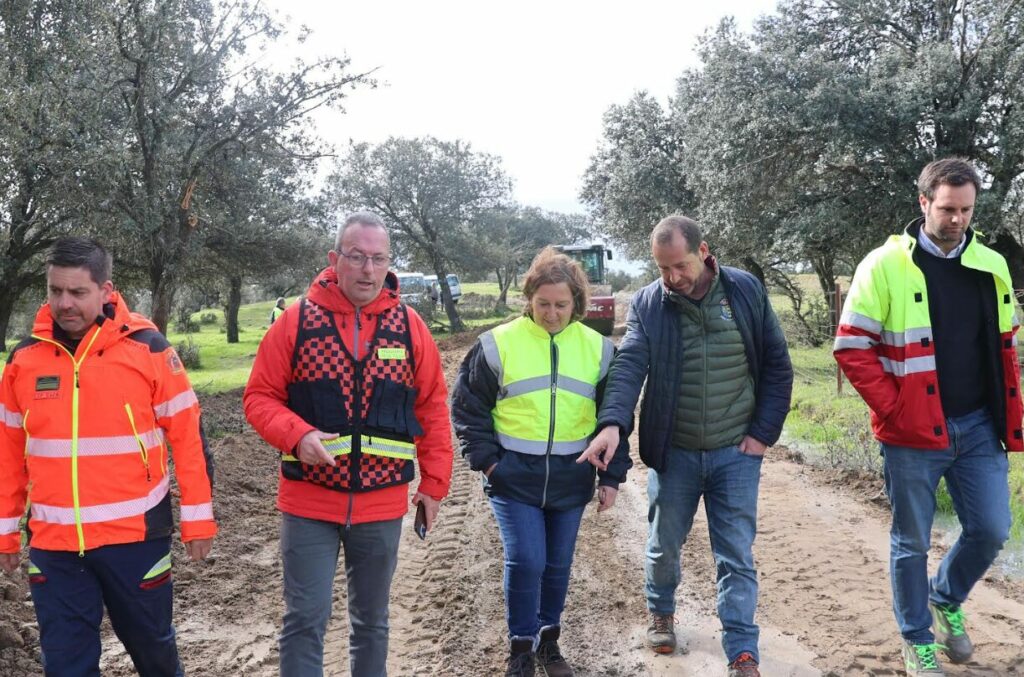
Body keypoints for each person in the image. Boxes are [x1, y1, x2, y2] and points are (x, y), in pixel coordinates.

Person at [579, 216, 792, 677]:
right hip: (673, 453)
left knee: (735, 552)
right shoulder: (649, 305)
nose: (672, 277)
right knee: (663, 545)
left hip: (735, 452)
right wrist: (613, 422)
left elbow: (777, 364)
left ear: (703, 251)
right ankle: (661, 611)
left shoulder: (745, 292)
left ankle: (741, 648)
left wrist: (761, 435)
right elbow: (630, 364)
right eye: (663, 269)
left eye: (679, 265)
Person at [243, 211, 453, 677]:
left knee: (372, 623)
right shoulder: (296, 321)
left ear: (389, 263)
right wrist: (297, 436)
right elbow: (259, 397)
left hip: (380, 506)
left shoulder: (410, 326)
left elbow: (433, 409)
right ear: (335, 259)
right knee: (304, 620)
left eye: (378, 259)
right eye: (357, 257)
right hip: (308, 503)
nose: (367, 269)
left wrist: (434, 485)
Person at [834, 158, 1022, 676]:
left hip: (979, 425)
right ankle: (916, 639)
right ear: (923, 203)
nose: (957, 219)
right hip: (912, 433)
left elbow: (1004, 348)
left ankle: (945, 597)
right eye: (947, 209)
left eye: (966, 209)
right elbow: (852, 347)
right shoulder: (884, 264)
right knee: (911, 541)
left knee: (991, 528)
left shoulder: (992, 264)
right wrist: (895, 408)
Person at [0, 236, 217, 676]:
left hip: (134, 541)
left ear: (106, 289)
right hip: (54, 545)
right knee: (65, 666)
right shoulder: (24, 360)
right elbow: (7, 453)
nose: (64, 303)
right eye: (55, 291)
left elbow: (189, 440)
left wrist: (199, 519)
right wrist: (7, 532)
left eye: (78, 292)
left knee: (155, 656)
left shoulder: (149, 350)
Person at [452, 247, 632, 677]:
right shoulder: (496, 344)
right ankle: (520, 646)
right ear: (529, 298)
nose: (552, 314)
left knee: (557, 564)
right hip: (514, 477)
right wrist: (490, 463)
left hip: (572, 477)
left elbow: (616, 416)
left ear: (577, 304)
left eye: (562, 305)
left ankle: (548, 641)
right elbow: (467, 409)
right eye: (543, 304)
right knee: (527, 559)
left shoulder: (599, 349)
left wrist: (611, 476)